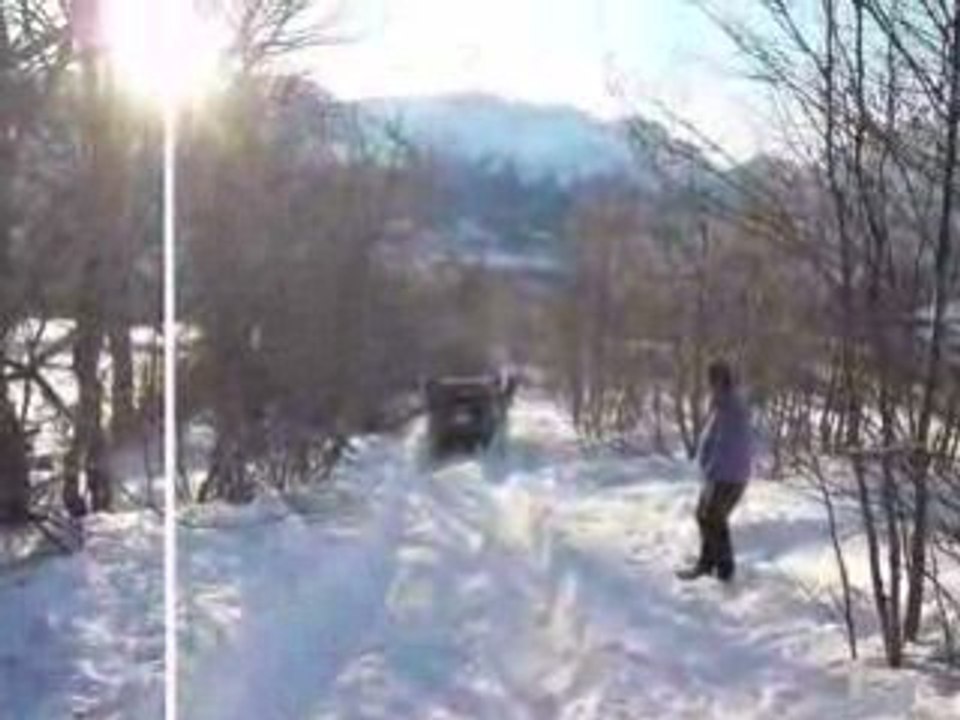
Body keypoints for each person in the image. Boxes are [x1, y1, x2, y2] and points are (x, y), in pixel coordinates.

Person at [677, 359, 753, 582]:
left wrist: (711, 468)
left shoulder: (732, 407)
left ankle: (725, 569)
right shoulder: (720, 404)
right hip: (718, 474)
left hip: (729, 476)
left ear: (722, 381)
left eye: (713, 380)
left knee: (713, 517)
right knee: (704, 516)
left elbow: (728, 444)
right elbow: (712, 438)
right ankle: (707, 563)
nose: (710, 385)